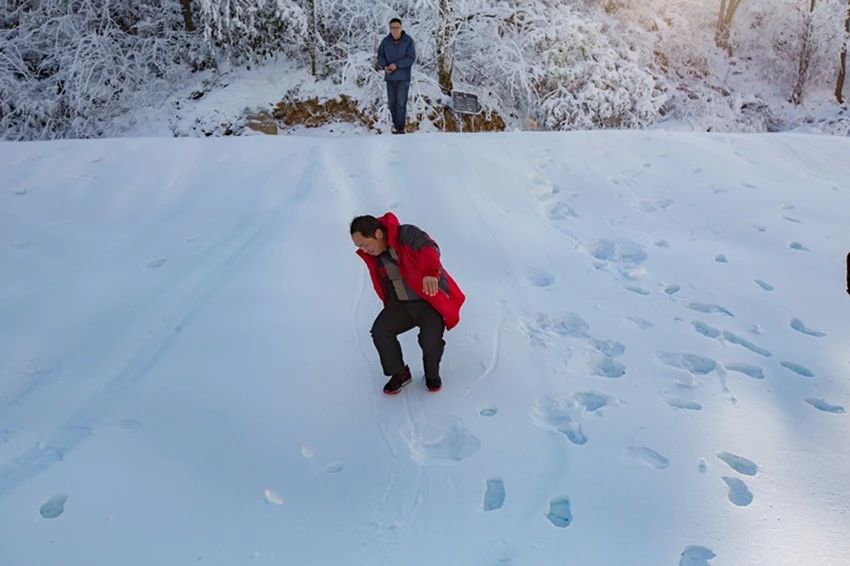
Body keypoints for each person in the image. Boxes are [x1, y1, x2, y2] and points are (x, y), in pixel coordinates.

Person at [351, 213, 465, 394]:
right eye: (359, 247)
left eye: (365, 244)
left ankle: (432, 374)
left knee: (430, 341)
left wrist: (430, 272)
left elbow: (429, 247)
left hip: (429, 302)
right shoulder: (376, 255)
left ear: (378, 234)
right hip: (401, 305)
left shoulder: (406, 234)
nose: (364, 250)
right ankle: (400, 373)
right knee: (380, 332)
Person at [377, 18, 416, 134]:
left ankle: (400, 128)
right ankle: (395, 126)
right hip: (390, 77)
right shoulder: (385, 41)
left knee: (400, 103)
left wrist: (397, 65)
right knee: (392, 103)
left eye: (397, 27)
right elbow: (380, 55)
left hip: (403, 78)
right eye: (392, 28)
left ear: (401, 28)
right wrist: (384, 66)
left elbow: (411, 58)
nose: (395, 30)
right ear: (389, 28)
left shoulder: (408, 41)